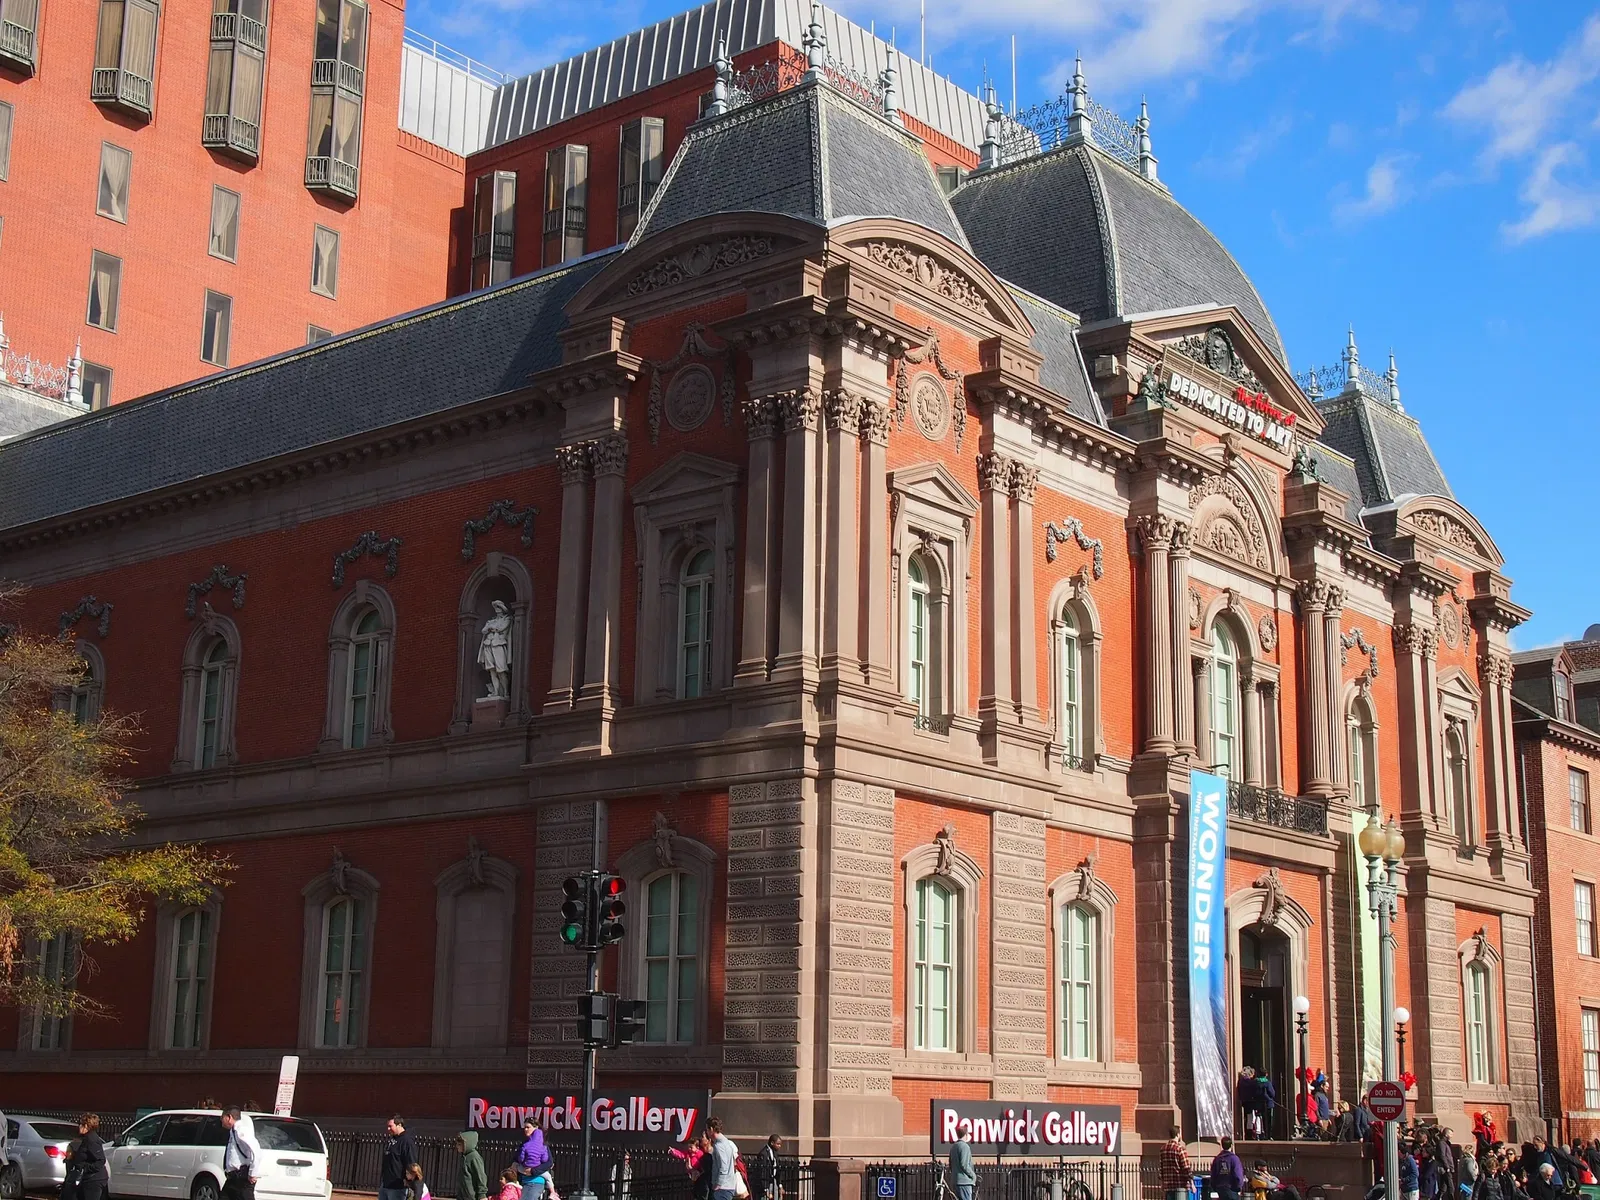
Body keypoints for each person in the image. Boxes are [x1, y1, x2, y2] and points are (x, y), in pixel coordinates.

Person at [221, 1108, 259, 1200]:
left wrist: (252, 1173)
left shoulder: (241, 1130)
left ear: (229, 1117)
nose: (221, 1121)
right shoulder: (233, 1131)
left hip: (242, 1178)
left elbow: (256, 1150)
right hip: (233, 1178)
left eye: (222, 1118)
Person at [69, 1115, 108, 1200]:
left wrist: (84, 1168)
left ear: (86, 1126)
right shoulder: (86, 1138)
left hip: (94, 1180)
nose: (79, 1126)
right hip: (86, 1179)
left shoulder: (92, 1139)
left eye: (81, 1124)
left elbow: (100, 1160)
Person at [517, 1119, 553, 1200]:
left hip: (536, 1181)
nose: (525, 1129)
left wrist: (533, 1171)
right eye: (524, 1127)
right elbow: (517, 1158)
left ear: (536, 1128)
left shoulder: (543, 1144)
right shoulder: (524, 1144)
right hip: (524, 1181)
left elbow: (549, 1162)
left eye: (528, 1127)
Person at [381, 1117, 416, 1200]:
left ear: (399, 1125)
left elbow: (411, 1162)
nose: (388, 1129)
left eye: (390, 1126)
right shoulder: (393, 1139)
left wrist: (408, 1181)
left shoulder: (407, 1141)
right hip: (386, 1184)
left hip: (398, 1186)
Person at [707, 1118, 740, 1200]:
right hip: (728, 1186)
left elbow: (723, 1167)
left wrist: (718, 1184)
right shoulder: (726, 1142)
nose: (707, 1132)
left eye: (707, 1129)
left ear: (711, 1129)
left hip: (722, 1188)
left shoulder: (719, 1146)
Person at [1160, 1126, 1193, 1200]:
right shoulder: (1180, 1149)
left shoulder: (1163, 1149)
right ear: (1178, 1135)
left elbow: (1161, 1168)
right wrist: (1192, 1183)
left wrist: (1162, 1184)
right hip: (1180, 1186)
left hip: (1168, 1186)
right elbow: (1186, 1167)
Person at [749, 1135, 783, 1200]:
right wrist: (765, 1188)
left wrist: (780, 1185)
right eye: (778, 1144)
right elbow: (763, 1171)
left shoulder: (775, 1153)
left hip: (774, 1181)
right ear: (772, 1143)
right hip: (766, 1183)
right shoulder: (763, 1153)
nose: (779, 1146)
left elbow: (778, 1169)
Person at [457, 1133, 489, 1200]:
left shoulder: (474, 1157)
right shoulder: (465, 1157)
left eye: (459, 1144)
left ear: (466, 1144)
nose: (457, 1146)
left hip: (472, 1197)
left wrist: (482, 1195)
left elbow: (480, 1176)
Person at [949, 1126, 977, 1200]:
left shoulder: (953, 1147)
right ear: (966, 1134)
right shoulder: (965, 1147)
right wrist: (973, 1176)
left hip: (956, 1181)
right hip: (965, 1181)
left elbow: (951, 1164)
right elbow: (964, 1164)